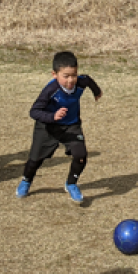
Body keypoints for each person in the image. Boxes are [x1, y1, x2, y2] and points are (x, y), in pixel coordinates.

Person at [16, 51, 103, 202]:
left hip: (71, 126)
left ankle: (71, 183)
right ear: (54, 74)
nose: (71, 80)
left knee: (81, 155)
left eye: (74, 75)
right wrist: (52, 116)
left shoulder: (80, 82)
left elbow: (88, 80)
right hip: (47, 127)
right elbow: (34, 111)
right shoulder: (50, 90)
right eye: (66, 76)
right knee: (35, 160)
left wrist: (97, 91)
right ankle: (26, 180)